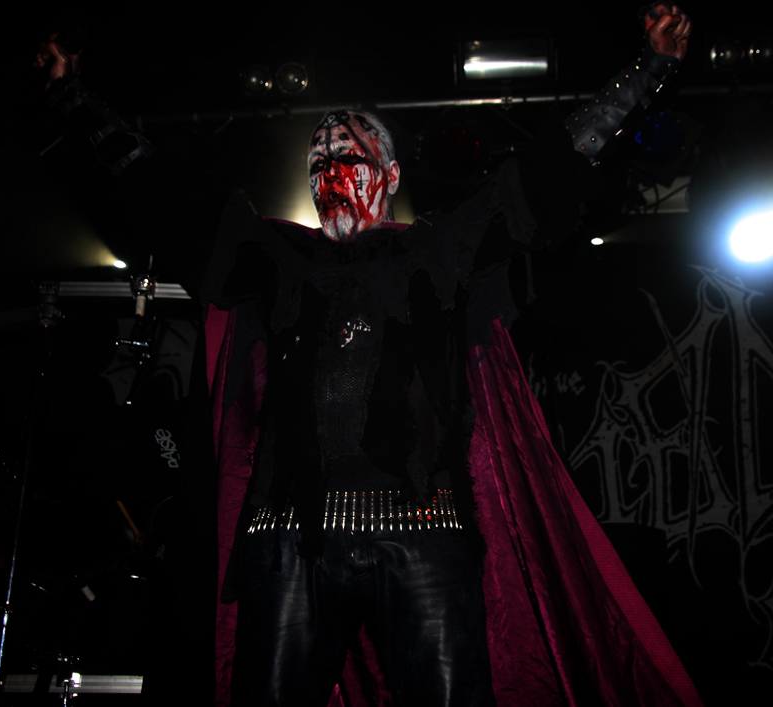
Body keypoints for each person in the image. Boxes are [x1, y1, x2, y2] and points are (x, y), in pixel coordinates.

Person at [36, 5, 701, 706]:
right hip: (290, 540)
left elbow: (551, 165)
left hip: (423, 535)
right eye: (317, 160)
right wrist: (71, 96)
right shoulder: (273, 254)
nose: (329, 169)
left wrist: (648, 69)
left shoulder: (440, 249)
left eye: (347, 156)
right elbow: (158, 185)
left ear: (389, 173)